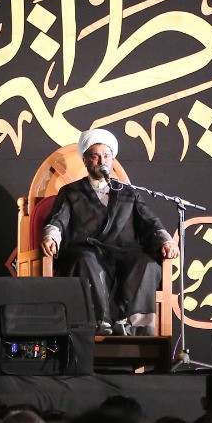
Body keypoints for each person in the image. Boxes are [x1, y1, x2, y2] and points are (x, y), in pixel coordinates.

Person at [41, 128, 177, 335]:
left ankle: (135, 326)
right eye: (95, 156)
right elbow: (58, 219)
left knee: (146, 264)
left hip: (124, 252)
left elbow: (149, 221)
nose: (101, 161)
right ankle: (98, 322)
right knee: (85, 260)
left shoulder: (128, 192)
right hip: (88, 250)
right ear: (85, 160)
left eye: (106, 156)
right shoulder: (71, 192)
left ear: (112, 160)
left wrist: (166, 241)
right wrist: (51, 237)